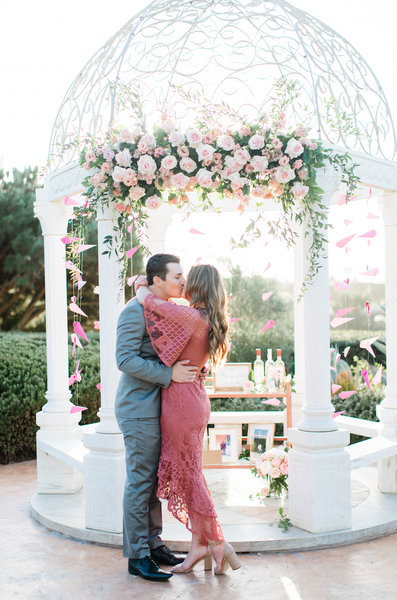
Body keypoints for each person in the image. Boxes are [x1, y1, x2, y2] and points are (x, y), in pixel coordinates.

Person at [135, 263, 241, 576]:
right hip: (194, 399)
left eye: (186, 279)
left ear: (196, 285)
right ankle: (200, 546)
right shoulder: (210, 317)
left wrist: (140, 282)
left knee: (191, 477)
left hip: (181, 403)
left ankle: (217, 544)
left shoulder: (190, 316)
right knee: (191, 474)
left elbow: (149, 301)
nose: (182, 284)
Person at [115, 253, 202, 583]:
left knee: (151, 482)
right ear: (156, 281)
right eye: (177, 276)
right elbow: (124, 359)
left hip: (159, 409)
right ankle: (138, 556)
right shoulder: (133, 311)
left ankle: (153, 544)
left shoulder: (163, 311)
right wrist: (169, 374)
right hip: (138, 409)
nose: (183, 280)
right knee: (140, 483)